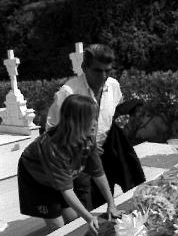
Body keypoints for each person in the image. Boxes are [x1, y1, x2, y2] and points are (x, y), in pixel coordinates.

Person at [18, 94, 123, 234]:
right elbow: (66, 190)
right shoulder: (53, 149)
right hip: (38, 180)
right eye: (90, 119)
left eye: (95, 118)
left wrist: (111, 204)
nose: (95, 123)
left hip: (60, 176)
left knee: (73, 217)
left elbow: (99, 173)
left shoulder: (87, 138)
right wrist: (89, 217)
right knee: (58, 226)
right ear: (75, 122)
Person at [46, 43, 123, 210]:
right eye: (97, 70)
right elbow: (52, 132)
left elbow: (113, 114)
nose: (103, 76)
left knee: (104, 205)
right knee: (82, 211)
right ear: (84, 67)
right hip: (76, 160)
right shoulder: (68, 92)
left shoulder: (114, 85)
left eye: (108, 71)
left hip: (103, 154)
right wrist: (83, 146)